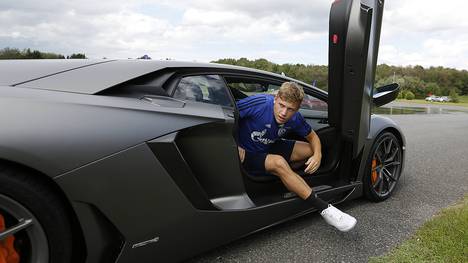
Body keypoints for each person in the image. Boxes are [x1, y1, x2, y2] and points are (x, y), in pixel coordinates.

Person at [237, 82, 357, 232]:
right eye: (281, 105)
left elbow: (313, 137)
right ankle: (325, 209)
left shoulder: (295, 118)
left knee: (309, 150)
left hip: (268, 146)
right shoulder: (259, 103)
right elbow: (225, 117)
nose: (283, 113)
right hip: (246, 154)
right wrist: (233, 144)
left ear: (297, 109)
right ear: (276, 98)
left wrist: (317, 155)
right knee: (279, 163)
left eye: (290, 109)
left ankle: (286, 176)